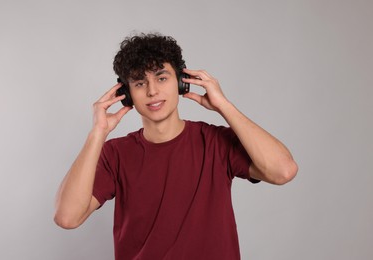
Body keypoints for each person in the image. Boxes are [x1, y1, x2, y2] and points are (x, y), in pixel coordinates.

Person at [54, 33, 298, 259]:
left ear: (182, 82)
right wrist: (97, 133)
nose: (152, 91)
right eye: (139, 83)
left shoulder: (214, 142)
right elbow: (67, 217)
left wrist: (224, 106)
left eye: (161, 78)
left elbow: (283, 171)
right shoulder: (115, 153)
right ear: (126, 93)